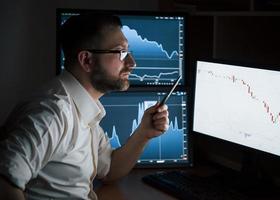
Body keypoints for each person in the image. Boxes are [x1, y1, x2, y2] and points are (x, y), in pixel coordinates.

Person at [0, 13, 169, 200]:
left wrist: (144, 133)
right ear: (86, 60)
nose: (132, 63)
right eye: (121, 52)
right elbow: (4, 183)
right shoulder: (53, 113)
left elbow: (110, 169)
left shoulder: (82, 105)